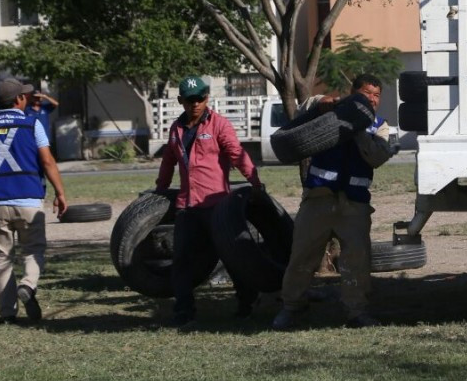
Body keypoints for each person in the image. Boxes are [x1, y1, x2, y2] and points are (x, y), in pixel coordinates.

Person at [272, 73, 395, 330]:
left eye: (376, 96)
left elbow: (378, 157)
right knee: (302, 256)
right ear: (352, 94)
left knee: (357, 260)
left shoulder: (380, 126)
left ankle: (356, 312)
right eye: (365, 95)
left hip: (354, 204)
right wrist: (323, 102)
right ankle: (292, 308)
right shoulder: (330, 112)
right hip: (318, 198)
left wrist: (358, 127)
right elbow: (305, 109)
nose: (372, 100)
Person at [155, 76, 264, 327]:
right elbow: (168, 161)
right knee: (181, 258)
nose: (195, 104)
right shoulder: (176, 129)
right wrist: (161, 189)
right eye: (190, 99)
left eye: (200, 98)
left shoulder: (219, 125)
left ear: (207, 98)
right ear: (181, 100)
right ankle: (184, 311)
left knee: (231, 256)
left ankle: (247, 301)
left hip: (217, 204)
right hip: (187, 205)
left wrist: (255, 182)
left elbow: (237, 154)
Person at [0, 78, 68, 325]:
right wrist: (60, 193)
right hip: (29, 199)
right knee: (33, 250)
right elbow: (47, 161)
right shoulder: (32, 124)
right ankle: (28, 285)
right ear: (19, 99)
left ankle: (8, 313)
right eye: (25, 96)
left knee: (1, 258)